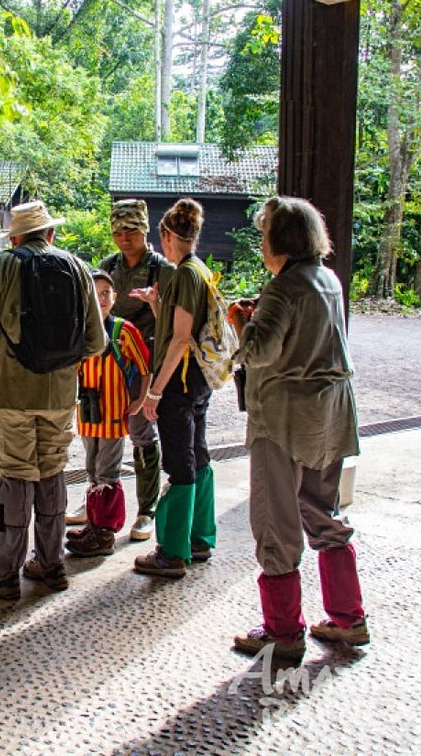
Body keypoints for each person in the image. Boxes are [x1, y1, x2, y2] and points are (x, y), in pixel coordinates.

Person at [228, 196, 368, 661]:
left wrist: (243, 325)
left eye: (264, 233)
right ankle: (349, 618)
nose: (261, 242)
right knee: (323, 512)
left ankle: (283, 630)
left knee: (275, 521)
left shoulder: (283, 289)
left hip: (285, 417)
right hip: (330, 413)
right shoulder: (328, 280)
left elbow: (263, 351)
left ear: (279, 238)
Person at [0, 200, 105, 599]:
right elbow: (97, 342)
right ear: (50, 233)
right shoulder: (76, 268)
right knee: (51, 470)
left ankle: (5, 573)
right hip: (59, 394)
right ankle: (51, 564)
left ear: (16, 236)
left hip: (10, 393)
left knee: (15, 472)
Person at [67, 199, 174, 541]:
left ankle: (147, 509)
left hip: (142, 367)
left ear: (144, 230)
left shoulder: (161, 270)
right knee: (95, 438)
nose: (124, 237)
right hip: (104, 368)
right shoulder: (107, 267)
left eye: (131, 230)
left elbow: (174, 323)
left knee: (142, 437)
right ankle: (94, 498)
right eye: (118, 231)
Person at [132, 198, 217, 579]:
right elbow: (181, 326)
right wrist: (156, 306)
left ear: (167, 236)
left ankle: (171, 552)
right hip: (198, 381)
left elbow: (180, 340)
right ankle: (199, 537)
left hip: (179, 384)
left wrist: (154, 392)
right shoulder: (199, 270)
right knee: (198, 456)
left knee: (179, 463)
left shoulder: (182, 274)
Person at [65, 268, 150, 557]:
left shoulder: (123, 331)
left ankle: (105, 534)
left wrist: (139, 401)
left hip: (114, 415)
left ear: (114, 297)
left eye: (106, 293)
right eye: (95, 292)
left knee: (107, 472)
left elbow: (145, 367)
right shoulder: (78, 330)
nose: (100, 298)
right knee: (91, 471)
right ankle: (94, 525)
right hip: (88, 415)